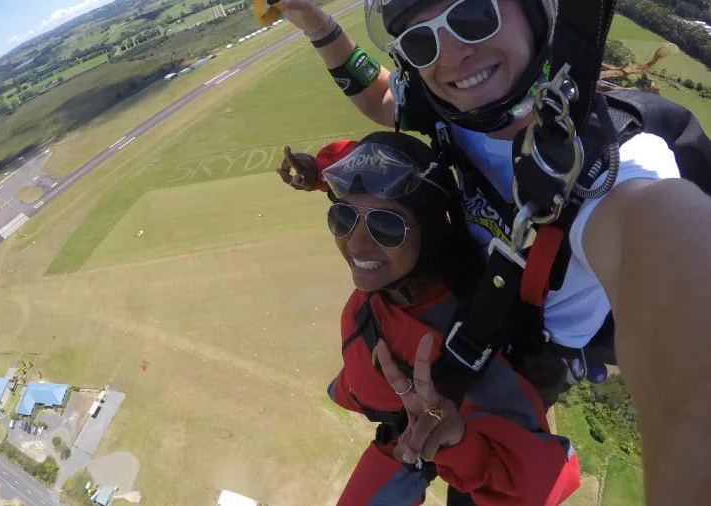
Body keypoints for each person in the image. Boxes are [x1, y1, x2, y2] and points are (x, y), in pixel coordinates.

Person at [275, 0, 711, 501]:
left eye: (473, 15)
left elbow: (665, 253)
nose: (453, 55)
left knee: (487, 475)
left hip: (531, 351)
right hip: (471, 298)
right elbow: (380, 97)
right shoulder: (454, 113)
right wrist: (316, 23)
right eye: (422, 42)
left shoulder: (613, 169)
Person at [282, 131, 580, 505]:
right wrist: (321, 171)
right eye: (341, 218)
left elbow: (547, 480)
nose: (356, 244)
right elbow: (370, 177)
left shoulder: (461, 343)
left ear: (432, 230)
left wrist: (460, 446)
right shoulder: (396, 280)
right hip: (368, 384)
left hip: (412, 435)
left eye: (386, 227)